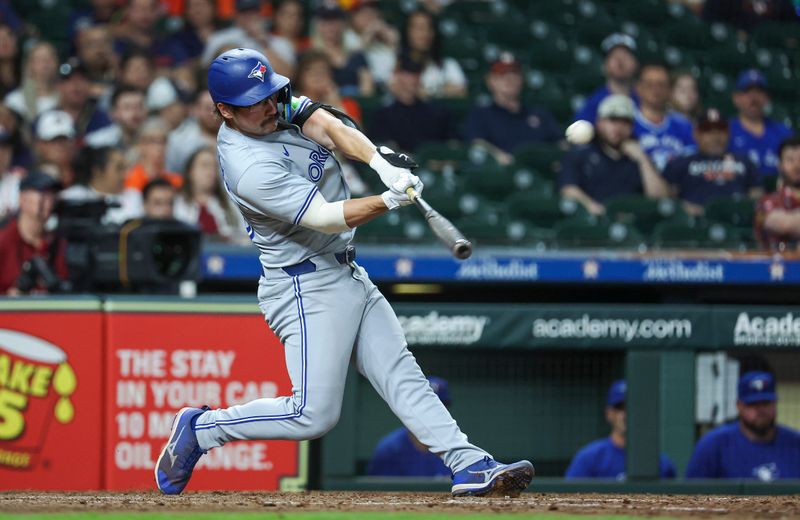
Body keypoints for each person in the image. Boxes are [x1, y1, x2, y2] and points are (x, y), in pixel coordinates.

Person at [154, 48, 534, 498]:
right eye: (254, 102)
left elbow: (327, 126)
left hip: (345, 270)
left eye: (269, 95)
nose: (269, 106)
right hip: (303, 284)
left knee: (400, 371)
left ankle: (467, 462)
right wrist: (388, 200)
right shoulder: (248, 166)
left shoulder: (269, 105)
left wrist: (378, 162)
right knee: (312, 414)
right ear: (225, 110)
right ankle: (202, 430)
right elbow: (326, 216)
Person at [560, 95, 669, 216]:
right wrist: (597, 210)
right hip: (593, 223)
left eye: (625, 122)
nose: (619, 127)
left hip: (633, 226)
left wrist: (643, 160)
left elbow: (660, 199)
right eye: (613, 119)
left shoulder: (639, 158)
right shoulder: (582, 154)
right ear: (599, 122)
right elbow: (568, 190)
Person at [686, 371, 800, 480]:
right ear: (739, 406)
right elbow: (691, 496)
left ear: (775, 403)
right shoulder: (713, 445)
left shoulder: (796, 443)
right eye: (753, 404)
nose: (760, 410)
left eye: (765, 403)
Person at [565, 380, 676, 479]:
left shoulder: (661, 462)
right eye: (620, 408)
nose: (625, 414)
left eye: (632, 407)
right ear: (608, 414)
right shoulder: (589, 458)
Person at [464, 51, 561, 165]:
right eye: (502, 73)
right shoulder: (481, 114)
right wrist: (499, 156)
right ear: (491, 80)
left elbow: (560, 143)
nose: (509, 78)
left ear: (522, 79)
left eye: (514, 73)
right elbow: (477, 143)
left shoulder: (539, 114)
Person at [662, 108, 763, 217]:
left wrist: (745, 210)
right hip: (696, 222)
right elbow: (666, 197)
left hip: (737, 220)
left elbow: (757, 194)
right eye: (707, 130)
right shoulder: (680, 163)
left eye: (720, 129)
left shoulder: (745, 162)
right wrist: (686, 209)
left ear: (728, 133)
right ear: (696, 134)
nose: (715, 136)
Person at [368, 56, 455, 154]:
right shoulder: (382, 115)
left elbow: (450, 145)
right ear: (397, 77)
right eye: (406, 73)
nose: (411, 79)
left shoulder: (437, 114)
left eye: (414, 74)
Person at [368, 376, 452, 477]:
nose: (431, 413)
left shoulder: (455, 449)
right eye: (426, 407)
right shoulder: (390, 449)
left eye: (439, 407)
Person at [0, 170, 67, 295]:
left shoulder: (57, 242)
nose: (49, 200)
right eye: (42, 193)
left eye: (52, 194)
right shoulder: (4, 240)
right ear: (22, 199)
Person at [728, 69, 793, 178]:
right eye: (747, 91)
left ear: (767, 98)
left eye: (759, 91)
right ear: (736, 98)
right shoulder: (726, 132)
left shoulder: (783, 132)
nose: (754, 98)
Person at [201, 0, 294, 76]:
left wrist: (263, 42)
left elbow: (287, 75)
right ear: (236, 14)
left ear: (261, 13)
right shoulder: (219, 38)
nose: (249, 16)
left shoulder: (279, 42)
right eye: (244, 12)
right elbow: (206, 73)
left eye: (253, 11)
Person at [633, 63, 695, 172]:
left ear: (669, 90)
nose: (656, 89)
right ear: (638, 88)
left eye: (661, 85)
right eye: (649, 84)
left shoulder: (683, 125)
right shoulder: (628, 123)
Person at [173, 147, 243, 241]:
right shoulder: (175, 204)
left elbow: (244, 239)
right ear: (190, 172)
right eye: (205, 165)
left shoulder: (232, 205)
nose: (211, 171)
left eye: (214, 166)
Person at [60, 146, 142, 225]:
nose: (125, 175)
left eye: (126, 168)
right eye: (119, 168)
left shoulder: (136, 197)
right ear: (97, 172)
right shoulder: (72, 197)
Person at [399, 8, 467, 99]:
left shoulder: (448, 64)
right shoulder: (393, 62)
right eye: (418, 28)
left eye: (428, 28)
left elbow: (461, 91)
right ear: (407, 31)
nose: (424, 33)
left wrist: (429, 92)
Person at [573, 33, 640, 124]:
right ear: (604, 66)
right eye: (614, 56)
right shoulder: (595, 102)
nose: (620, 61)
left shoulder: (646, 98)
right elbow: (579, 130)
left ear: (635, 64)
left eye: (626, 55)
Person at [310, 4, 374, 97]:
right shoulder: (311, 56)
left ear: (343, 24)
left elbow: (367, 90)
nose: (331, 25)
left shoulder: (357, 55)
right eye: (326, 20)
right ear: (318, 25)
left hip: (354, 105)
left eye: (335, 20)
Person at [754, 137, 800, 251]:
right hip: (774, 265)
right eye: (790, 160)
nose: (797, 166)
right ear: (780, 165)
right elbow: (784, 225)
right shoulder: (768, 201)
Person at [343, 0, 399, 90]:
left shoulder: (384, 35)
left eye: (372, 11)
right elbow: (350, 57)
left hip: (393, 85)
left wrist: (392, 42)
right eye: (364, 13)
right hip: (368, 87)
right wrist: (368, 35)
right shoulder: (348, 35)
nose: (369, 16)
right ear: (353, 17)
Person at [3, 41, 59, 123]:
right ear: (29, 65)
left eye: (50, 58)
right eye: (40, 59)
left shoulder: (66, 99)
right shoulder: (14, 100)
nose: (46, 62)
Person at [165, 90, 220, 174]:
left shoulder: (232, 136)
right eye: (207, 108)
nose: (212, 113)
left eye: (216, 109)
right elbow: (172, 172)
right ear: (196, 110)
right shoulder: (179, 140)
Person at [55, 58, 112, 138]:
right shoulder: (46, 119)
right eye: (69, 80)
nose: (75, 85)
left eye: (81, 79)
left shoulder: (104, 120)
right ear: (59, 86)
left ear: (90, 85)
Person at [123, 117, 183, 192]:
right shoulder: (128, 179)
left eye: (163, 141)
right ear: (140, 145)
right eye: (152, 141)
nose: (159, 147)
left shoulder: (177, 181)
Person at [85, 85, 147, 152]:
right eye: (127, 107)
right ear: (113, 113)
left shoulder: (156, 139)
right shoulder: (97, 143)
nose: (135, 113)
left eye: (139, 106)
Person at [32, 110, 79, 187]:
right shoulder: (28, 179)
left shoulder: (88, 174)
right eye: (54, 140)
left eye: (65, 139)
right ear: (40, 144)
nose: (61, 145)